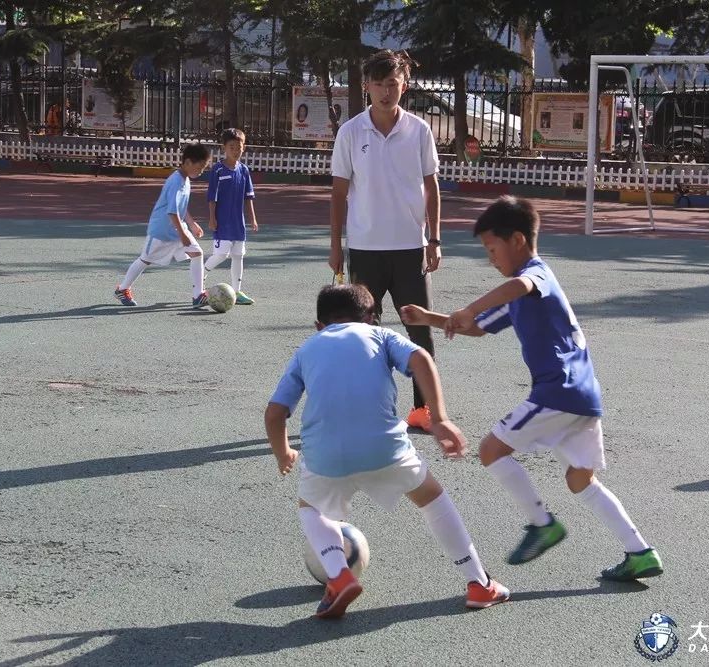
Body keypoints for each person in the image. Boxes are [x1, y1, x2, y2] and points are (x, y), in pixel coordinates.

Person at [400, 196, 664, 582]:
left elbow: (516, 287)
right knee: (580, 480)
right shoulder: (520, 296)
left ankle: (542, 524)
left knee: (490, 450)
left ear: (518, 241)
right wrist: (432, 318)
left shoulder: (535, 275)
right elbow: (477, 327)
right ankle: (640, 552)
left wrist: (469, 307)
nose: (490, 257)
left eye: (492, 248)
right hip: (583, 395)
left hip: (557, 391)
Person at [265, 284, 510, 619]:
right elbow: (422, 358)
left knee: (312, 509)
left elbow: (275, 412)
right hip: (386, 449)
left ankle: (338, 576)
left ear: (319, 326)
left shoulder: (307, 349)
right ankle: (479, 583)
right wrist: (439, 418)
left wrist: (283, 453)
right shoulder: (380, 336)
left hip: (325, 455)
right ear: (371, 317)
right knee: (433, 501)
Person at [329, 49, 442, 433]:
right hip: (365, 249)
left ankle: (423, 411)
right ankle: (366, 408)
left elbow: (432, 185)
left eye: (392, 84)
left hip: (411, 248)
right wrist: (335, 246)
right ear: (366, 86)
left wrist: (435, 238)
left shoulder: (420, 130)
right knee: (363, 334)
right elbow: (339, 192)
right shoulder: (350, 132)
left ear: (404, 86)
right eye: (378, 84)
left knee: (420, 331)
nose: (385, 91)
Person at [114, 143, 211, 309]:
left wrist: (191, 223)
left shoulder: (185, 179)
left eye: (204, 167)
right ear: (187, 162)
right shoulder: (176, 181)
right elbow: (172, 211)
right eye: (200, 166)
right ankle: (122, 289)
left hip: (177, 228)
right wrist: (183, 235)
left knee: (197, 253)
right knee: (145, 259)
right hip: (161, 231)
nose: (201, 171)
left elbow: (181, 207)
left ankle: (198, 295)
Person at [205, 128, 258, 305]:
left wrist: (252, 218)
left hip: (238, 223)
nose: (236, 150)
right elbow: (212, 197)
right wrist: (212, 218)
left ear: (244, 147)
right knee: (221, 255)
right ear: (224, 148)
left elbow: (248, 197)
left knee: (238, 256)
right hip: (222, 222)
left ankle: (237, 291)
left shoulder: (244, 170)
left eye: (239, 147)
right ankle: (201, 276)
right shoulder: (218, 170)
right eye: (232, 147)